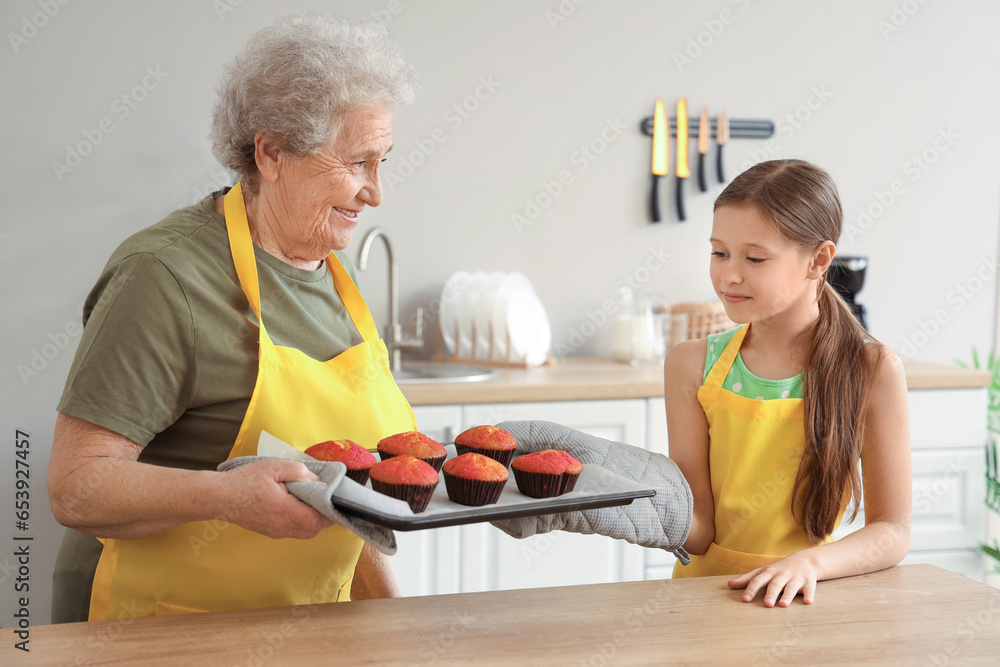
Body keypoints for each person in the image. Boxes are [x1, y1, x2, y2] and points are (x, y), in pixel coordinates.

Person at [46, 13, 419, 622]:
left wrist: (397, 623)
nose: (376, 193)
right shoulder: (163, 276)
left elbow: (344, 500)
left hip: (295, 624)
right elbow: (75, 485)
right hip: (155, 627)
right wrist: (224, 497)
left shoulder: (328, 277)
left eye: (383, 161)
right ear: (270, 152)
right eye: (356, 163)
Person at [664, 159, 911, 607]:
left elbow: (892, 531)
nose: (729, 275)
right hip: (701, 601)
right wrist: (628, 504)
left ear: (819, 260)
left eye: (754, 258)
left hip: (805, 600)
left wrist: (809, 565)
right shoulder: (689, 364)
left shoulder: (872, 370)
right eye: (719, 253)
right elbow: (698, 532)